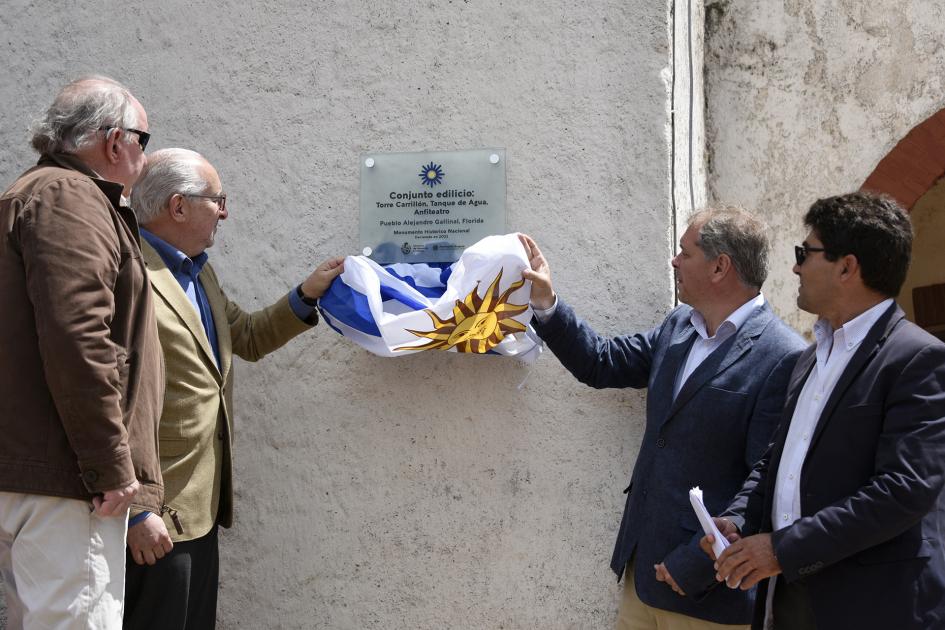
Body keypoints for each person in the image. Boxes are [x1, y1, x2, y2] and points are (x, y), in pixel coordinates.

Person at [519, 207, 805, 630]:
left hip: (708, 597)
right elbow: (602, 363)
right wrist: (546, 304)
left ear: (719, 266)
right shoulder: (678, 326)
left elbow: (765, 481)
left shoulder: (782, 355)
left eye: (684, 253)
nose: (674, 262)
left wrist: (694, 564)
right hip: (643, 574)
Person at [122, 148, 344, 630]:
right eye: (216, 199)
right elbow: (109, 398)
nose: (225, 210)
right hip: (154, 515)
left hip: (199, 507)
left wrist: (307, 294)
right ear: (178, 207)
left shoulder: (197, 269)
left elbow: (245, 336)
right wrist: (137, 512)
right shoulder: (128, 273)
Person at [702, 192, 945, 629]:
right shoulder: (810, 358)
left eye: (805, 252)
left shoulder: (918, 359)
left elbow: (903, 491)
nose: (795, 267)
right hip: (790, 598)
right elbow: (777, 461)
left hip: (873, 607)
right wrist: (738, 519)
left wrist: (781, 549)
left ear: (847, 266)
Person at [0, 77, 164, 628]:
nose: (146, 153)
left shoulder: (32, 193)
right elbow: (79, 338)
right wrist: (110, 466)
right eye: (144, 137)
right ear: (115, 142)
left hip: (43, 473)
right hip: (70, 481)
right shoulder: (70, 197)